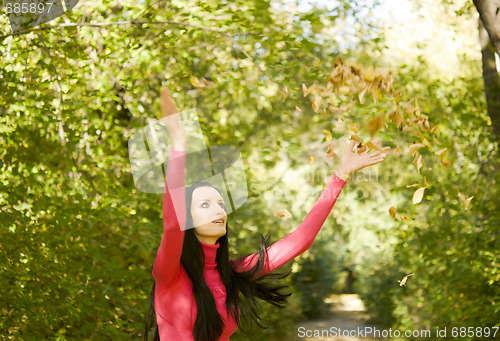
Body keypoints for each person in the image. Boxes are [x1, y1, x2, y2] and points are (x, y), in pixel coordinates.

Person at [143, 88, 391, 341]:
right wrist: (179, 144)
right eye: (205, 205)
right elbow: (172, 224)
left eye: (220, 203)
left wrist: (340, 175)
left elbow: (301, 240)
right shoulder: (170, 273)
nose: (219, 209)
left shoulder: (231, 274)